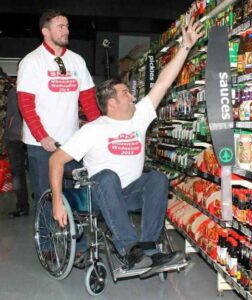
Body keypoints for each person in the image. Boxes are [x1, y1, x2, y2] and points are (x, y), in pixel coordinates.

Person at [49, 18, 204, 274]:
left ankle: (149, 249)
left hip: (130, 193)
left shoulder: (139, 116)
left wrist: (185, 48)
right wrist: (56, 200)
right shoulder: (92, 130)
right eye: (125, 93)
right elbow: (56, 160)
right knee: (107, 176)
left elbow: (163, 83)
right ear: (111, 103)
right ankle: (130, 250)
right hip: (101, 197)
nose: (132, 96)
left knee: (156, 178)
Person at [16, 9, 100, 214]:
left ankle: (75, 243)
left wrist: (101, 129)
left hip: (72, 143)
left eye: (67, 26)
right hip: (40, 144)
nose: (66, 31)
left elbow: (88, 100)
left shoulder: (77, 60)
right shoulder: (32, 61)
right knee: (46, 195)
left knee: (74, 196)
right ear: (45, 31)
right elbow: (26, 105)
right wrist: (42, 136)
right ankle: (46, 245)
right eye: (60, 26)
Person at [4, 85, 29, 218]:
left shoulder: (15, 91)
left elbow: (11, 115)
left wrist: (6, 137)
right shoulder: (35, 86)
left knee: (17, 174)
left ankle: (23, 206)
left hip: (16, 137)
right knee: (36, 170)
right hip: (32, 136)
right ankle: (41, 201)